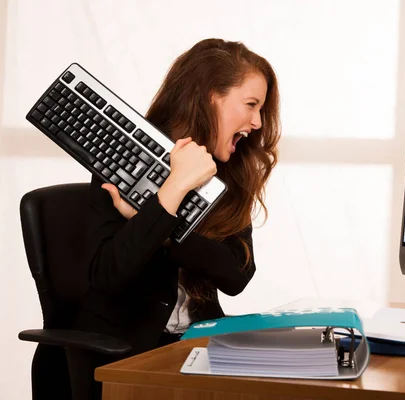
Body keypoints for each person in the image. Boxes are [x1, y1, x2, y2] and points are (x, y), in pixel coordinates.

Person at [66, 38, 281, 400]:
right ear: (212, 96)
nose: (257, 122)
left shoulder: (229, 173)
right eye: (250, 105)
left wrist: (162, 229)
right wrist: (173, 189)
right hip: (126, 356)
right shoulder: (121, 158)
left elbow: (236, 274)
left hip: (193, 349)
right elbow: (108, 277)